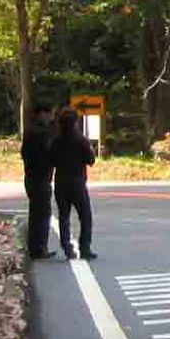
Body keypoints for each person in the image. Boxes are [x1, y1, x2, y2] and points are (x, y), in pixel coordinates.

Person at [50, 108, 98, 260]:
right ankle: (85, 247)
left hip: (61, 182)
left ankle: (67, 248)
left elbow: (51, 160)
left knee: (64, 216)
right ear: (75, 122)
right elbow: (91, 160)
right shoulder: (80, 140)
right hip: (77, 182)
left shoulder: (56, 140)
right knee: (85, 215)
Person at [21, 106, 55, 259]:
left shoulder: (30, 131)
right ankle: (39, 248)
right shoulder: (40, 133)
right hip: (40, 178)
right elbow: (49, 154)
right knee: (42, 213)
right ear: (42, 113)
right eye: (50, 114)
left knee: (36, 213)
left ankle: (36, 247)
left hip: (31, 176)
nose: (51, 118)